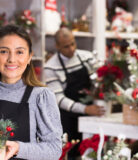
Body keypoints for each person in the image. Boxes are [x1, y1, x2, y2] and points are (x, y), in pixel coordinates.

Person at [0, 25, 62, 160]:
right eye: (4, 51)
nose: (11, 59)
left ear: (29, 57)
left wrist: (18, 148)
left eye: (19, 52)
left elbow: (54, 149)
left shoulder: (40, 96)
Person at [44, 27, 104, 158]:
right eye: (66, 46)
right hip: (69, 119)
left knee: (95, 152)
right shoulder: (50, 67)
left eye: (73, 43)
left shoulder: (87, 57)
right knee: (73, 154)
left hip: (91, 114)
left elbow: (99, 80)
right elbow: (59, 99)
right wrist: (85, 109)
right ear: (57, 46)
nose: (71, 49)